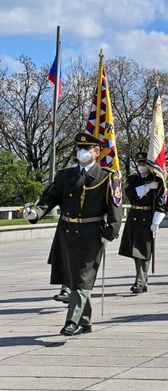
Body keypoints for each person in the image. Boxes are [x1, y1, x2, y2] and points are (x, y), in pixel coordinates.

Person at [23, 132, 124, 336]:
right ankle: (85, 323)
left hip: (91, 233)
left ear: (96, 153)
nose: (82, 152)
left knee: (81, 278)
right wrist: (35, 212)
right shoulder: (64, 175)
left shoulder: (107, 177)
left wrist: (110, 232)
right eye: (79, 149)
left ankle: (72, 321)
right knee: (73, 278)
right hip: (67, 232)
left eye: (86, 149)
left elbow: (116, 207)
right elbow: (49, 198)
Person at [118, 151, 167, 293]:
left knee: (144, 252)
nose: (141, 165)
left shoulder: (157, 180)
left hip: (148, 217)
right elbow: (130, 194)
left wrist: (156, 222)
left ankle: (139, 282)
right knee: (135, 252)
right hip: (134, 216)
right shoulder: (133, 179)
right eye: (139, 163)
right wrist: (146, 187)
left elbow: (161, 203)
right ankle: (142, 280)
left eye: (144, 163)